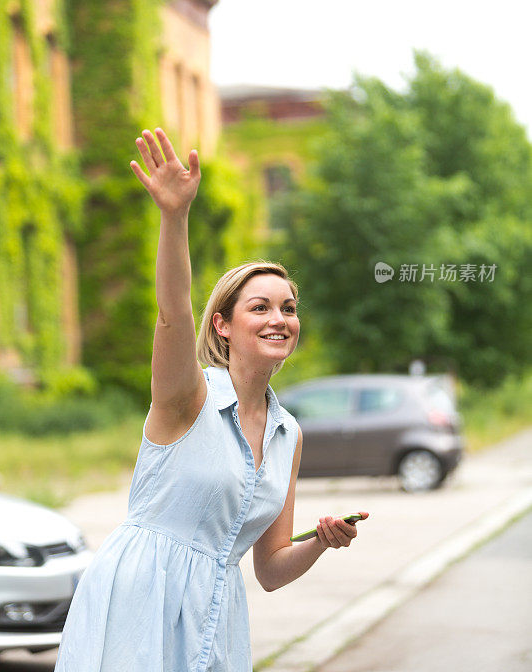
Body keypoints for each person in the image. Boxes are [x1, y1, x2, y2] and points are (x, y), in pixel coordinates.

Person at [54, 127, 369, 672]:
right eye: (261, 307)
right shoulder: (186, 397)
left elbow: (269, 570)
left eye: (289, 308)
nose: (280, 319)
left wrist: (321, 541)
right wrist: (174, 217)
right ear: (222, 325)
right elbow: (173, 311)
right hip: (140, 601)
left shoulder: (287, 433)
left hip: (218, 614)